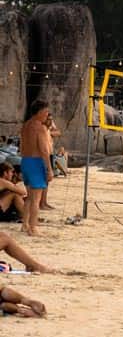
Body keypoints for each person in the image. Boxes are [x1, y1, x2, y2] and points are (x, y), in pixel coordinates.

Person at [19, 100, 53, 236]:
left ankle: (25, 224)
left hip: (25, 161)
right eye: (46, 112)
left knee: (29, 197)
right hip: (36, 161)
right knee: (36, 199)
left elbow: (21, 146)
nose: (47, 115)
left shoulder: (25, 125)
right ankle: (33, 227)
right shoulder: (40, 127)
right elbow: (44, 150)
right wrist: (49, 169)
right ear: (39, 112)